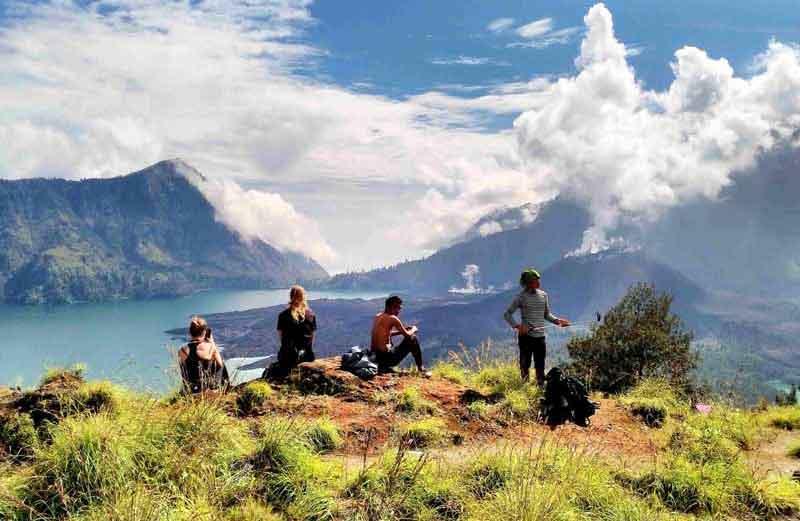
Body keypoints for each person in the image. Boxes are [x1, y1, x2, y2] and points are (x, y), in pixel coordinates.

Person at [503, 268, 570, 385]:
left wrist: (558, 321)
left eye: (538, 280)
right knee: (525, 364)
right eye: (535, 281)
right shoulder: (520, 297)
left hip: (540, 337)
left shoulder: (544, 295)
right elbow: (507, 314)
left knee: (540, 364)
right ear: (528, 283)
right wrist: (518, 326)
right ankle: (525, 388)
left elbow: (546, 314)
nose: (539, 283)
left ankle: (540, 388)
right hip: (526, 337)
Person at [370, 295, 431, 377]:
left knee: (408, 338)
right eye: (398, 308)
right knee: (413, 338)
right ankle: (421, 369)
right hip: (387, 358)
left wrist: (401, 331)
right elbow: (407, 335)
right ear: (391, 307)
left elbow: (387, 334)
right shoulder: (393, 318)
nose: (399, 311)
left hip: (376, 357)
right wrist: (414, 329)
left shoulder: (378, 316)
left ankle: (384, 367)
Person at [178, 315, 229, 393]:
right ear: (204, 332)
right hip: (211, 391)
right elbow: (220, 366)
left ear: (190, 333)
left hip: (192, 392)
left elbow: (184, 371)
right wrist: (212, 343)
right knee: (220, 362)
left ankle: (188, 390)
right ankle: (223, 389)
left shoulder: (182, 350)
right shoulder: (211, 347)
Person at [276, 285, 317, 372]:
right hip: (307, 356)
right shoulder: (311, 315)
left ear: (291, 297)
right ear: (303, 297)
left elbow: (281, 338)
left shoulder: (283, 315)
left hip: (288, 358)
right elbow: (312, 337)